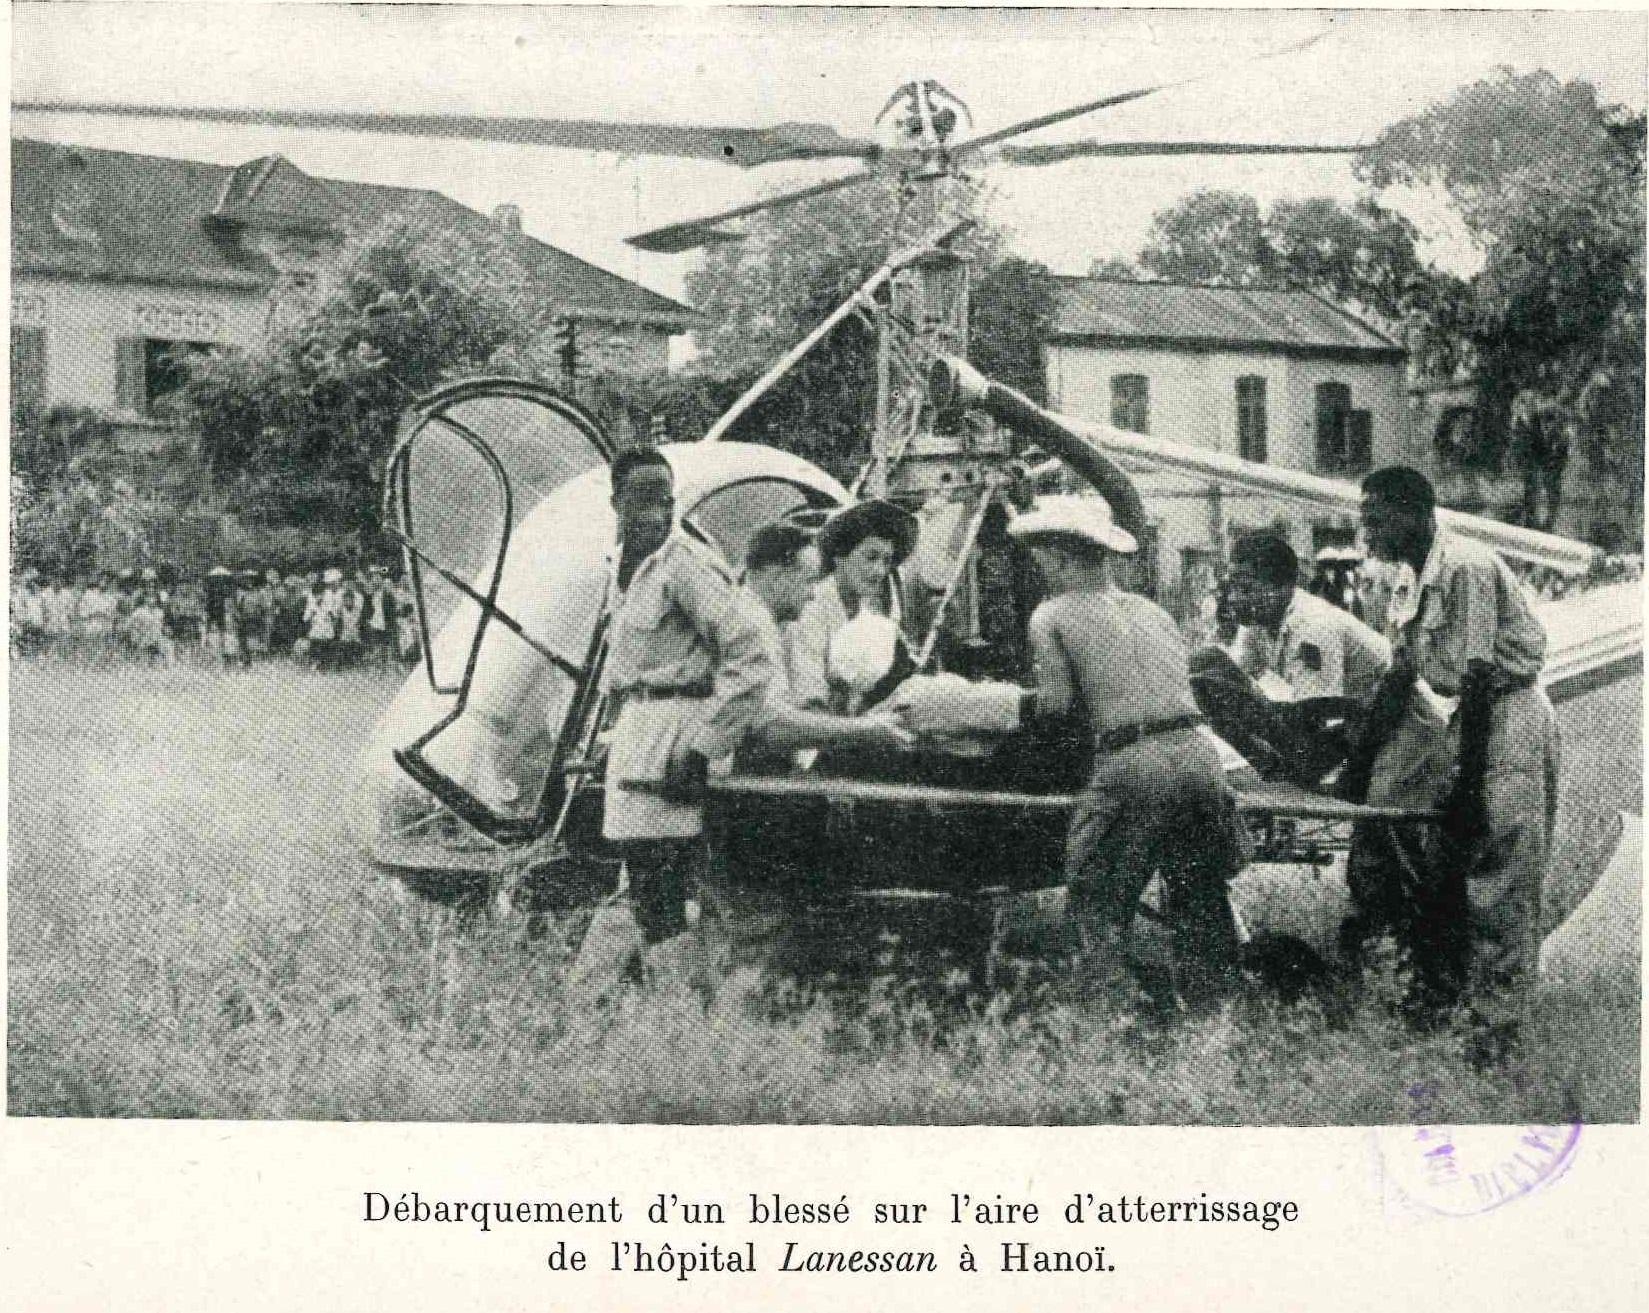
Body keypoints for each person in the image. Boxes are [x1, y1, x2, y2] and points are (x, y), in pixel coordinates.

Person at [898, 495, 1247, 1013]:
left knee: (1099, 906)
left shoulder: (1053, 614)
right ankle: (1216, 1021)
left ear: (1061, 555)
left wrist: (984, 705)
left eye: (1039, 555)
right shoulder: (1153, 611)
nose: (1036, 566)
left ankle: (1100, 1029)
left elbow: (1058, 710)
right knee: (1199, 899)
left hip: (1132, 765)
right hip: (1199, 758)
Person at [1346, 466, 1558, 1062]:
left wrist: (1466, 788)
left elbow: (1481, 678)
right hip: (1472, 719)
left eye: (1377, 516)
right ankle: (1443, 1005)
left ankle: (1495, 1038)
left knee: (1498, 871)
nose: (1368, 529)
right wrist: (1359, 767)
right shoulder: (1409, 578)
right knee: (1430, 857)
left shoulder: (1463, 566)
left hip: (1507, 716)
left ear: (1415, 514)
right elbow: (1399, 675)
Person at [575, 447, 774, 995]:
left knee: (660, 889)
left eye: (664, 497)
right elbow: (624, 669)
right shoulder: (624, 570)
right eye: (641, 498)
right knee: (642, 885)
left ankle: (685, 1013)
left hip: (675, 735)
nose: (656, 511)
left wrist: (705, 743)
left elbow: (750, 656)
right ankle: (636, 1002)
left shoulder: (686, 565)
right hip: (638, 733)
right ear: (616, 502)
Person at [698, 521, 915, 971]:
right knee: (755, 921)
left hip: (725, 784)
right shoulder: (752, 630)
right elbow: (767, 726)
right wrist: (865, 731)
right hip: (735, 791)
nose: (815, 594)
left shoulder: (756, 621)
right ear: (776, 573)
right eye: (809, 580)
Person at [1191, 532, 1391, 786]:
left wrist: (1260, 714)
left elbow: (1318, 713)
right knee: (1205, 666)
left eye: (1247, 589)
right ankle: (1274, 769)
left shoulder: (1313, 624)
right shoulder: (1258, 618)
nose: (1233, 599)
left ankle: (1291, 772)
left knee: (1215, 674)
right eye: (1233, 588)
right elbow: (1240, 678)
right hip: (1342, 720)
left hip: (1379, 722)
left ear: (1283, 587)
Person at [788, 499, 918, 712]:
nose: (879, 571)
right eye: (871, 557)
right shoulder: (812, 607)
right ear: (840, 556)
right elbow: (808, 696)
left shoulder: (870, 608)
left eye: (886, 561)